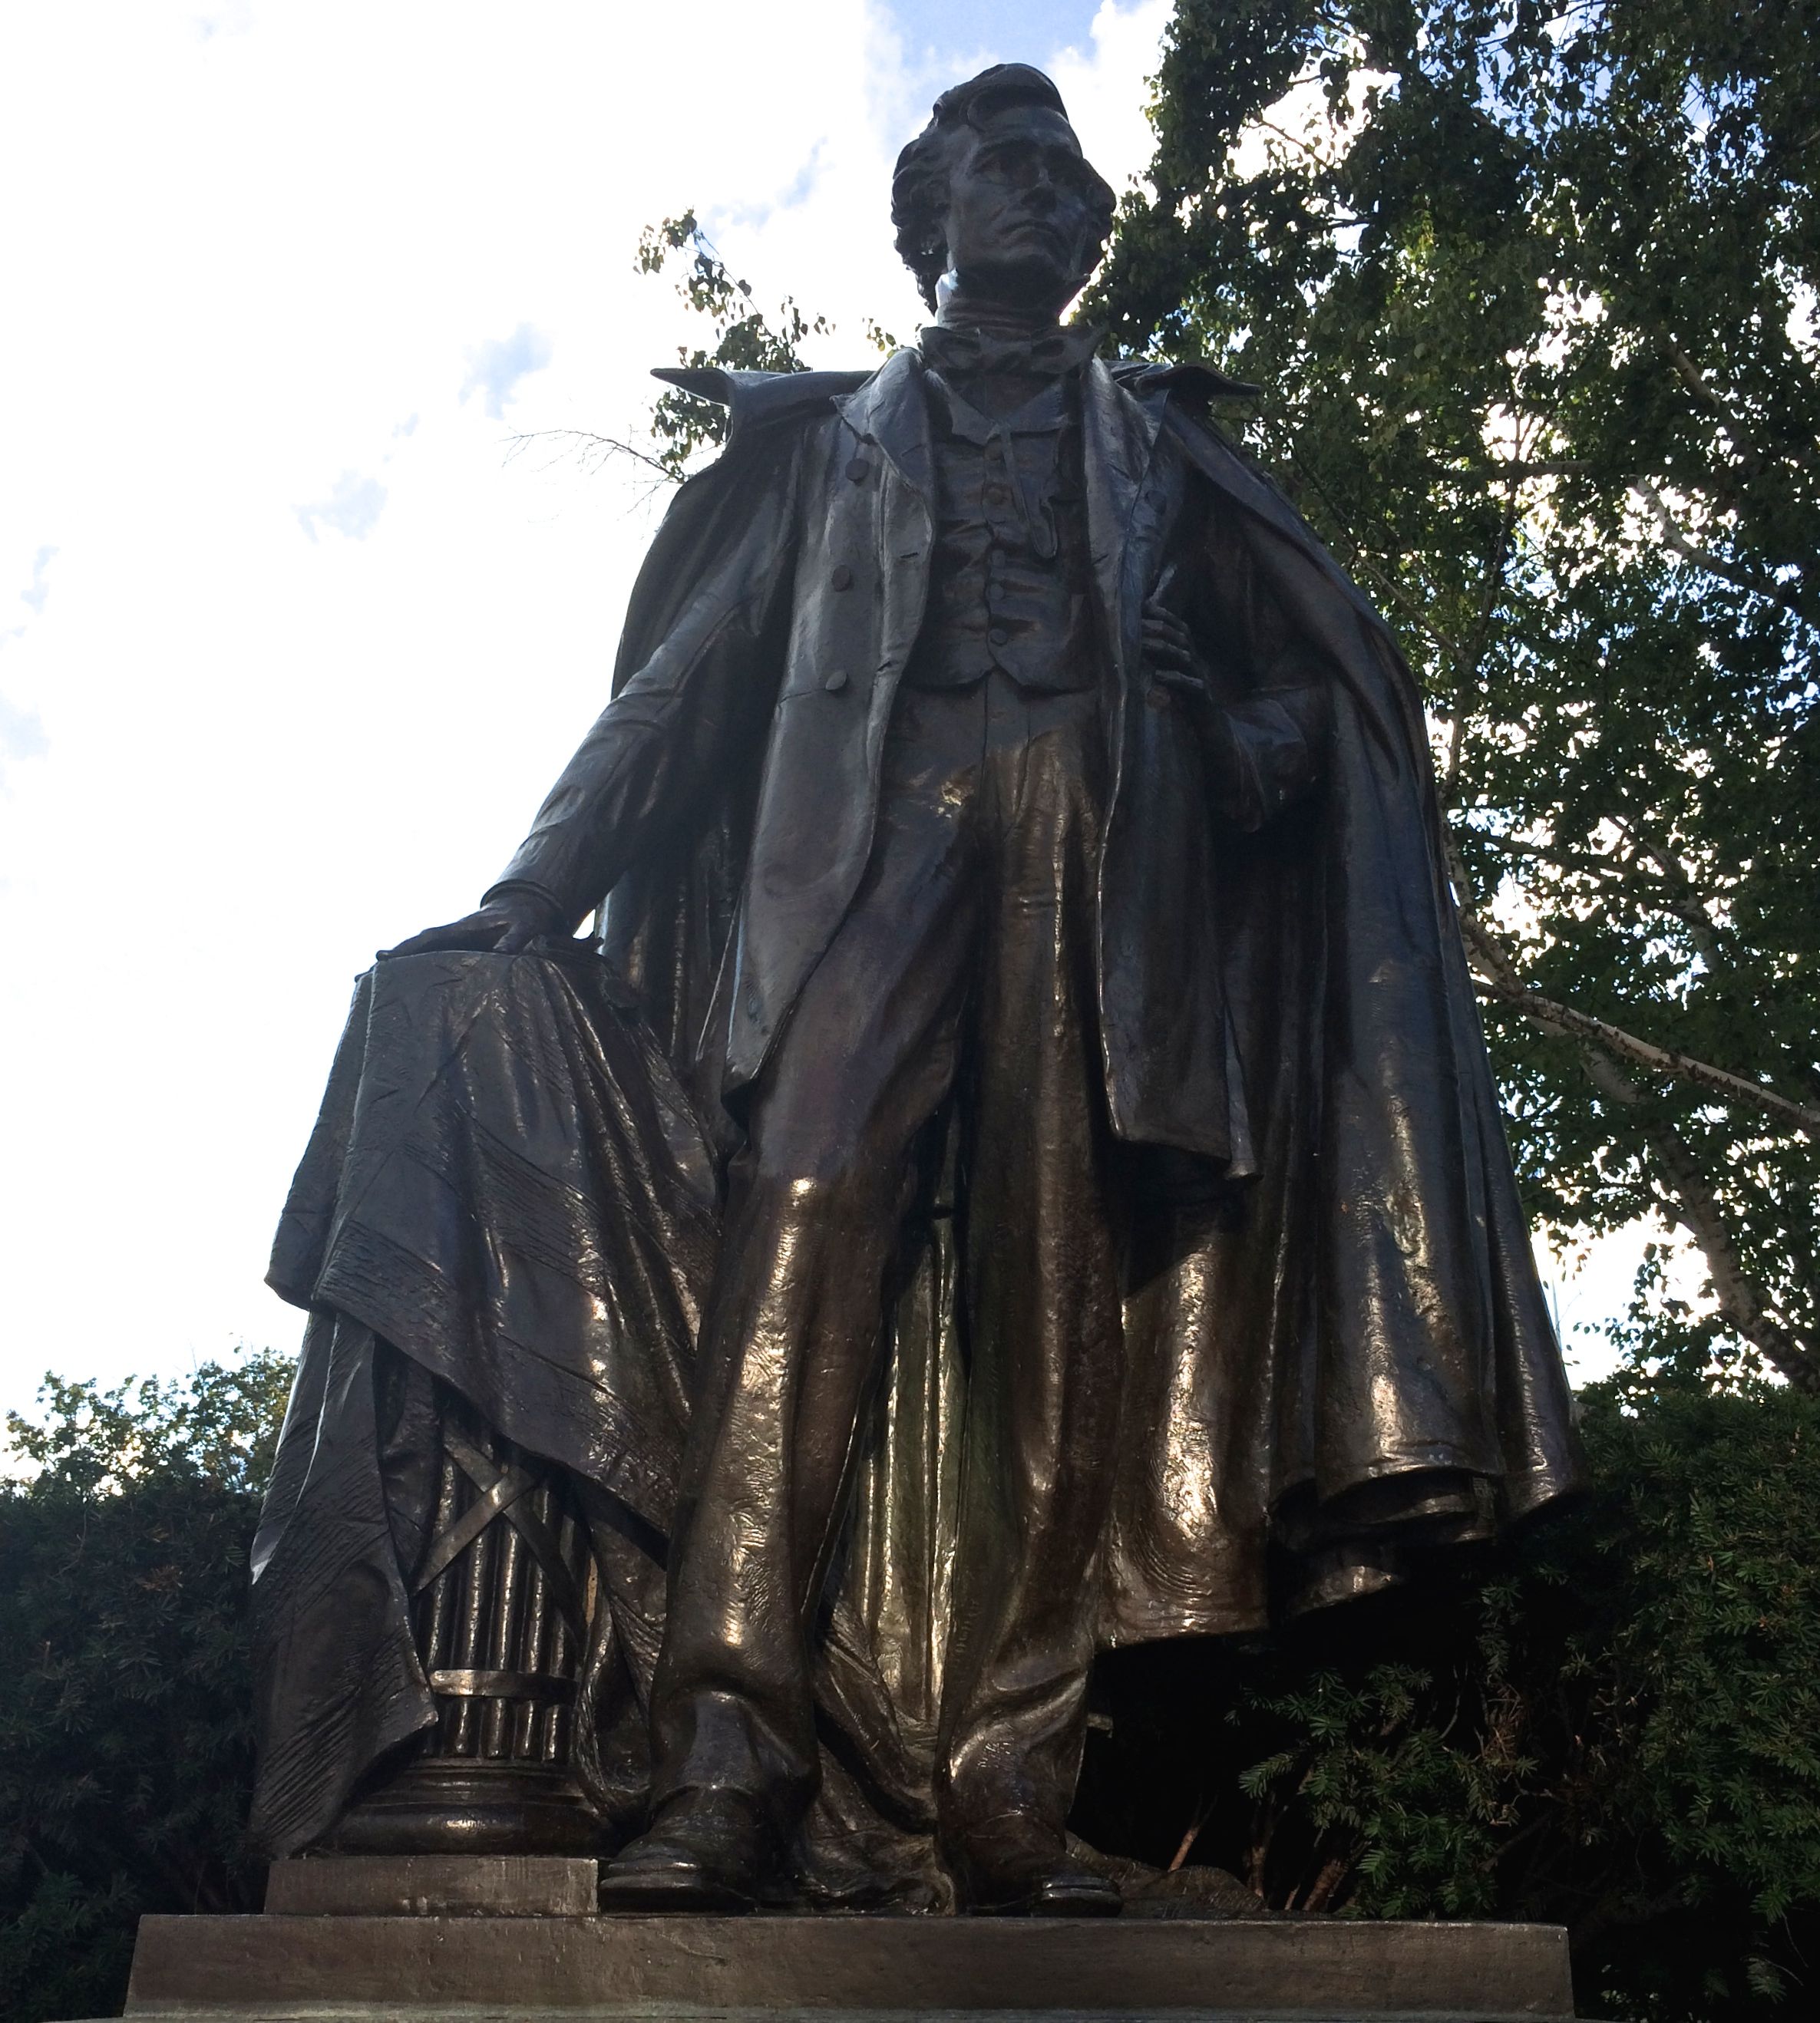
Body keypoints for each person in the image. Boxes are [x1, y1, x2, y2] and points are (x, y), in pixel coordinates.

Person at [284, 62, 1580, 1916]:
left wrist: (1230, 750)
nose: (1045, 195)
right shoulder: (823, 445)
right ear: (929, 221)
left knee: (1059, 1311)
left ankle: (1010, 1788)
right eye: (1007, 168)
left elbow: (1326, 701)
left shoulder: (1166, 444)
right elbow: (681, 693)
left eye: (1066, 174)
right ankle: (725, 1757)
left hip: (1103, 867)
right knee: (798, 1231)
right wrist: (529, 890)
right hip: (872, 850)